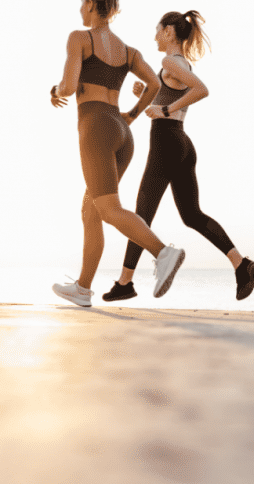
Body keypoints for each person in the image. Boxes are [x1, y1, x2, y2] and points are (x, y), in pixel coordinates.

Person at [102, 10, 254, 303]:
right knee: (192, 215)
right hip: (181, 143)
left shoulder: (167, 61)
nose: (154, 36)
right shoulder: (178, 64)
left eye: (157, 30)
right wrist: (151, 95)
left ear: (169, 32)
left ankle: (125, 282)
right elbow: (173, 93)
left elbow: (201, 89)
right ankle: (241, 264)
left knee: (141, 214)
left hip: (166, 142)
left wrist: (164, 109)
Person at [49, 0, 185, 308]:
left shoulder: (79, 38)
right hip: (121, 133)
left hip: (95, 129)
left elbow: (69, 87)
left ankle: (164, 253)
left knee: (109, 210)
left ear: (93, 6)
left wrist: (54, 91)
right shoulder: (129, 52)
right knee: (91, 210)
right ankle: (83, 289)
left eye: (82, 3)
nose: (80, 10)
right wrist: (132, 116)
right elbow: (153, 83)